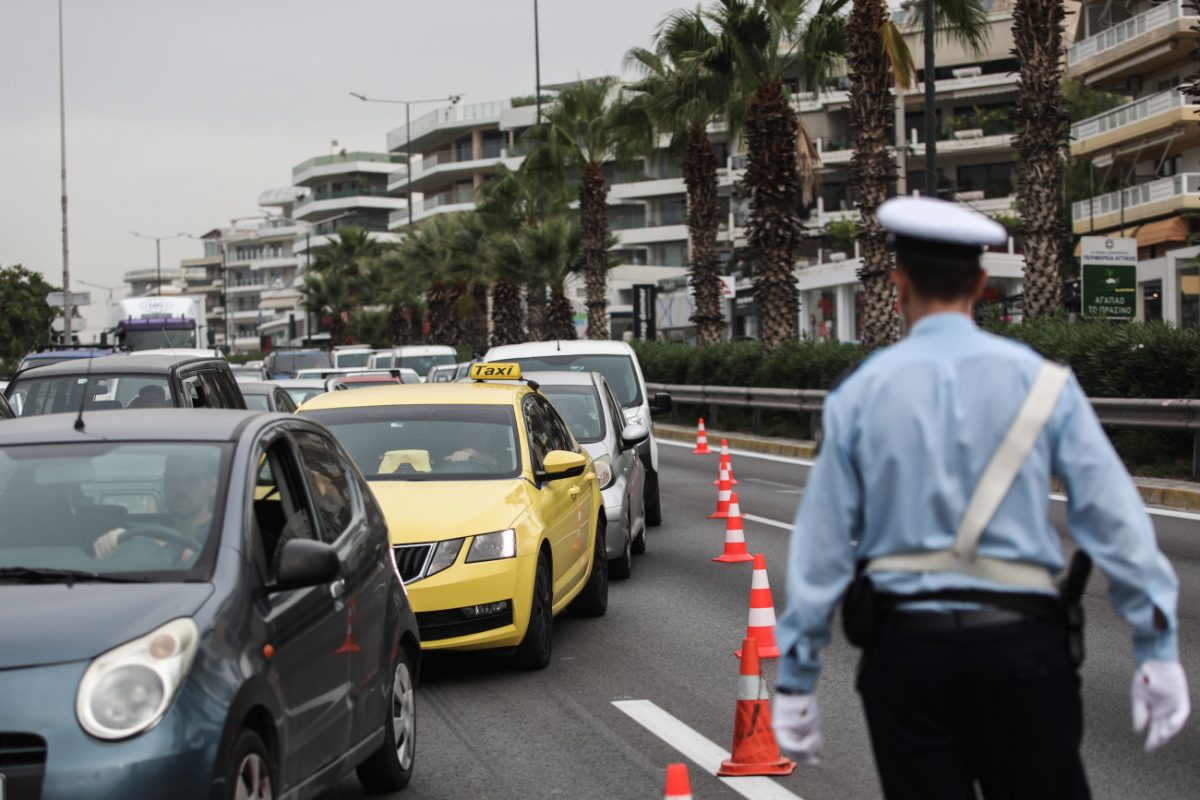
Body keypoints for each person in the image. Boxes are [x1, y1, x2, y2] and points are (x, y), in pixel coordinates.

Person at [771, 196, 1189, 799]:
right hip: (1023, 651)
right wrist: (1156, 645)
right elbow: (1115, 521)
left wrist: (797, 676)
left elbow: (824, 547)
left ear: (898, 283)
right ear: (982, 284)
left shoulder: (857, 396)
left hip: (907, 656)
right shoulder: (1048, 385)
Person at [93, 450, 218, 562]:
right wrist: (109, 543)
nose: (180, 490)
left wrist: (144, 542)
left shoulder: (225, 533)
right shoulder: (148, 532)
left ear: (212, 487)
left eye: (192, 481)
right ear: (164, 483)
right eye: (172, 481)